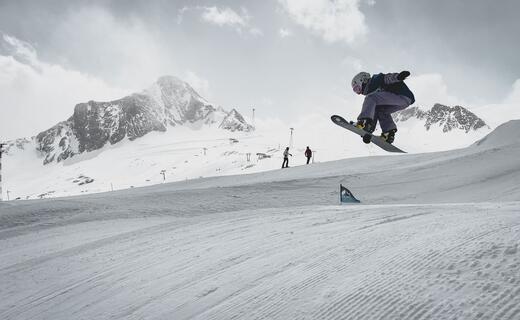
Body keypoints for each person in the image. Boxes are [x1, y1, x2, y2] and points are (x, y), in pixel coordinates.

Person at [351, 71, 415, 144]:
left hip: (401, 95)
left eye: (357, 89)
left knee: (371, 98)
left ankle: (363, 122)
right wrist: (367, 132)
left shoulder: (376, 79)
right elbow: (373, 113)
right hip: (403, 102)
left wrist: (398, 77)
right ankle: (388, 134)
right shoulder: (373, 95)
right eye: (356, 91)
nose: (359, 93)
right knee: (380, 110)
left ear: (363, 80)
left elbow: (388, 78)